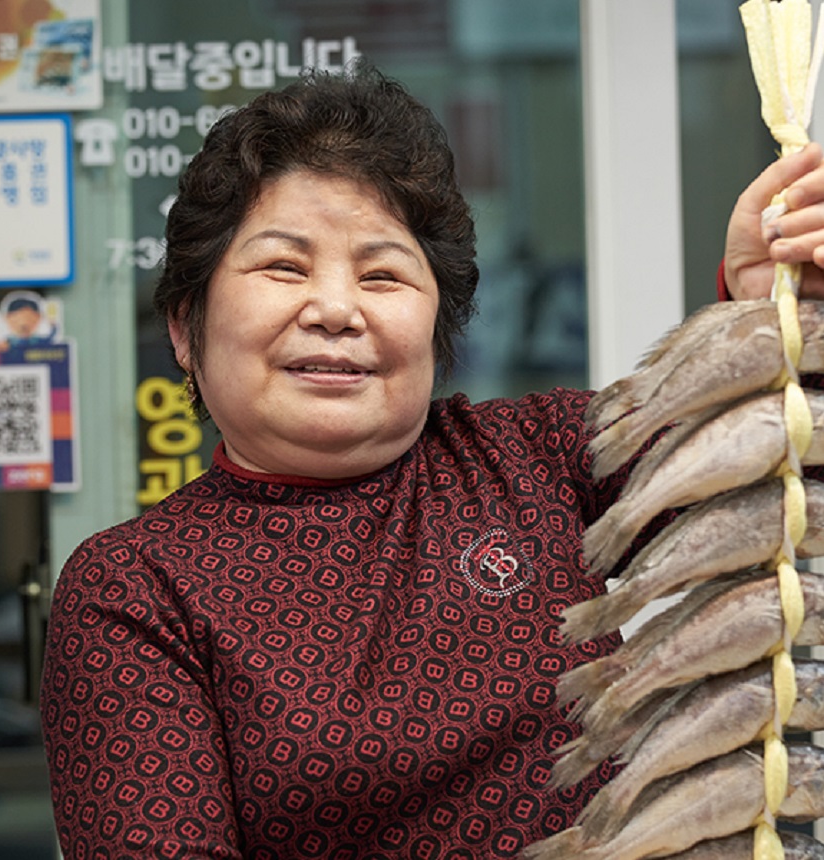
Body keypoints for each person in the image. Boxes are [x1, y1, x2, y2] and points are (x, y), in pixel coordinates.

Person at [40, 63, 824, 860]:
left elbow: (786, 466)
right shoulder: (135, 588)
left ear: (438, 328)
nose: (337, 310)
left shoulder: (538, 454)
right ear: (186, 327)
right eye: (284, 267)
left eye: (382, 275)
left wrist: (773, 316)